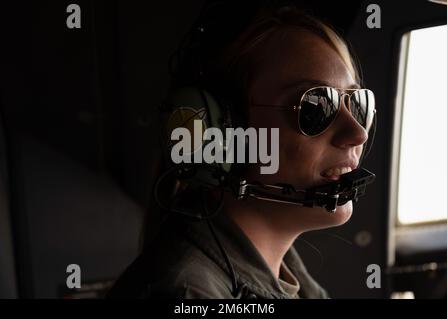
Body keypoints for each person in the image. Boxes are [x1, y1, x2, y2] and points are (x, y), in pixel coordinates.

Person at [107, 4, 375, 299]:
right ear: (221, 132)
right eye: (316, 106)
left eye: (356, 103)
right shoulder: (186, 293)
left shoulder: (290, 279)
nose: (357, 134)